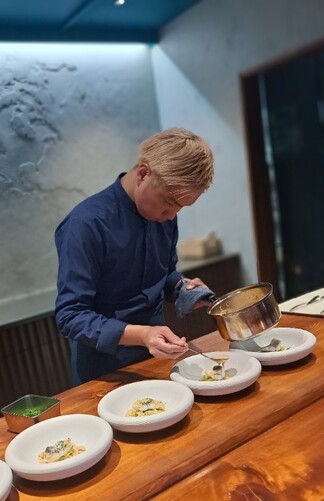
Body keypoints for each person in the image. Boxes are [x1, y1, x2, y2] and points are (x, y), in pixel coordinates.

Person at [55, 127, 215, 385]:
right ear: (143, 174)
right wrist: (142, 335)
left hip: (156, 356)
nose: (172, 215)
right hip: (103, 368)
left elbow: (163, 274)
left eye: (181, 208)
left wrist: (183, 288)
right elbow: (70, 316)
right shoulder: (86, 224)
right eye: (170, 202)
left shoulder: (163, 216)